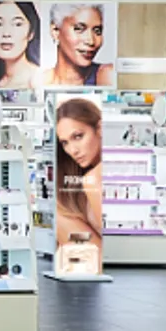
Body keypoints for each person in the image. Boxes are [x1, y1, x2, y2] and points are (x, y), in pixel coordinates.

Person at [54, 97, 103, 271]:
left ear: (99, 128)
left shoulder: (95, 178)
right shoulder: (84, 181)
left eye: (78, 136)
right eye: (65, 143)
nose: (72, 150)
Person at [44, 3, 114, 87]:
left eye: (97, 31)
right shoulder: (40, 81)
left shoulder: (107, 75)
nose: (91, 41)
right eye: (79, 29)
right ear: (55, 31)